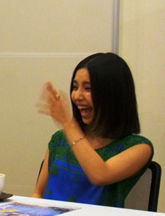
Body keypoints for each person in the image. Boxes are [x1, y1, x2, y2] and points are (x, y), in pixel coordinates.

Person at [32, 52, 153, 207]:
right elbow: (38, 193)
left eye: (88, 88)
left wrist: (68, 123)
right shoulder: (59, 140)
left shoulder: (138, 147)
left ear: (113, 94)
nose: (77, 96)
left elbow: (100, 175)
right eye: (75, 87)